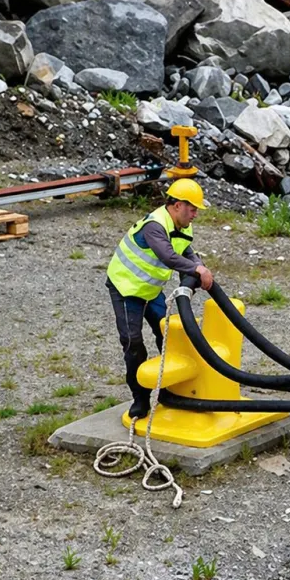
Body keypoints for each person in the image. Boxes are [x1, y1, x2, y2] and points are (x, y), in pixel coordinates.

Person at [106, 178, 214, 419]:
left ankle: (169, 388)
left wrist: (199, 267)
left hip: (150, 290)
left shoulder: (182, 226)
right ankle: (140, 399)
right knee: (133, 343)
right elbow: (167, 256)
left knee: (169, 335)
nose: (195, 214)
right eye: (193, 208)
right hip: (126, 289)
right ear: (177, 205)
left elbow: (185, 251)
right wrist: (197, 270)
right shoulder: (155, 226)